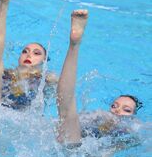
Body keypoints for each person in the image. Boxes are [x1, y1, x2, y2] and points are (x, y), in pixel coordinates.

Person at [56, 9, 142, 146]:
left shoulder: (134, 127)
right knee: (66, 111)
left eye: (127, 110)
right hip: (77, 141)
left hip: (101, 151)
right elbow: (69, 116)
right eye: (114, 106)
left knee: (109, 151)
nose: (117, 111)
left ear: (133, 116)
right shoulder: (99, 116)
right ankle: (74, 44)